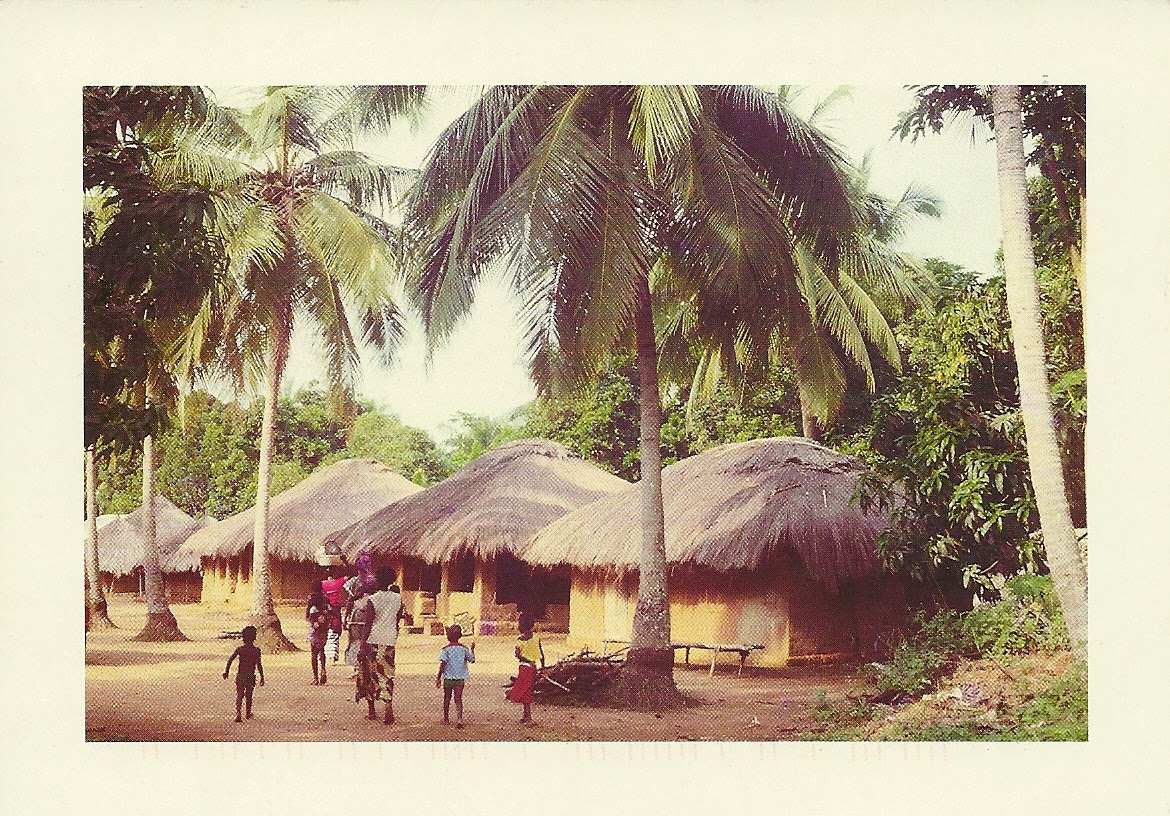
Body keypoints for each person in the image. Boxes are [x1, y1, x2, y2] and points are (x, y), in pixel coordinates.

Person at [355, 566, 411, 724]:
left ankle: (372, 710)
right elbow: (397, 620)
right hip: (389, 641)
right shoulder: (398, 599)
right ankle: (388, 706)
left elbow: (368, 624)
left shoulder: (373, 600)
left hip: (373, 640)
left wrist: (362, 646)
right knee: (387, 673)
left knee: (369, 674)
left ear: (377, 581)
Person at [506, 612, 544, 725]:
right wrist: (542, 667)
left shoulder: (520, 639)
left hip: (524, 668)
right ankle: (526, 716)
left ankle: (528, 717)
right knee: (528, 690)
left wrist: (527, 660)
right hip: (533, 668)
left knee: (525, 691)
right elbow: (542, 655)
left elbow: (517, 655)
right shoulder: (536, 638)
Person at [435, 625, 475, 728]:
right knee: (458, 699)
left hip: (448, 678)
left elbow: (443, 664)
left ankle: (446, 719)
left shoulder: (446, 649)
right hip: (460, 678)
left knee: (447, 698)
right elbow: (472, 660)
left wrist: (438, 677)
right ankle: (459, 719)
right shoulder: (464, 649)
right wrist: (472, 649)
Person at [223, 625, 264, 723]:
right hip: (250, 676)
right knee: (249, 695)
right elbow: (259, 664)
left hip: (241, 675)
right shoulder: (256, 650)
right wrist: (262, 676)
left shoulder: (240, 649)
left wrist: (226, 671)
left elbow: (230, 660)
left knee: (240, 694)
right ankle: (248, 713)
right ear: (254, 637)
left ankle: (238, 714)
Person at [343, 580, 371, 679]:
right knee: (364, 644)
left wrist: (345, 619)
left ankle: (358, 669)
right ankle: (362, 669)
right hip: (362, 623)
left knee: (356, 643)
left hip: (356, 622)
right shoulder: (371, 598)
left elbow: (349, 605)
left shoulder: (356, 600)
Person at [320, 565, 347, 664]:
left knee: (326, 632)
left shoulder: (322, 584)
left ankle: (327, 655)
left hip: (325, 610)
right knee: (335, 632)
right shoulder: (337, 583)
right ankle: (333, 656)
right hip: (335, 610)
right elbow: (348, 576)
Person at [306, 588, 330, 685]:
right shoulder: (326, 603)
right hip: (324, 631)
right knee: (322, 650)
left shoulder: (313, 606)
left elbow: (309, 618)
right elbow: (331, 614)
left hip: (315, 632)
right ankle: (323, 668)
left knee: (314, 654)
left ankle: (315, 678)